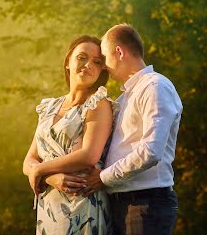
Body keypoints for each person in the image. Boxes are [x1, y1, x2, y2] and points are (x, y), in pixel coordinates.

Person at [81, 23, 183, 235]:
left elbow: (150, 152)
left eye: (105, 58)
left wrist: (102, 178)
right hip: (121, 204)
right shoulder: (124, 97)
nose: (105, 67)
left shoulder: (156, 86)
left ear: (119, 52)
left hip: (145, 204)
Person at [23, 35, 116, 234]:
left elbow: (89, 155)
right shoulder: (49, 107)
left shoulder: (98, 103)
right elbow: (29, 160)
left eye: (97, 62)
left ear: (101, 70)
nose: (88, 64)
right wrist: (49, 177)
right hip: (49, 205)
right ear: (68, 62)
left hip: (81, 203)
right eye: (82, 57)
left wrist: (40, 171)